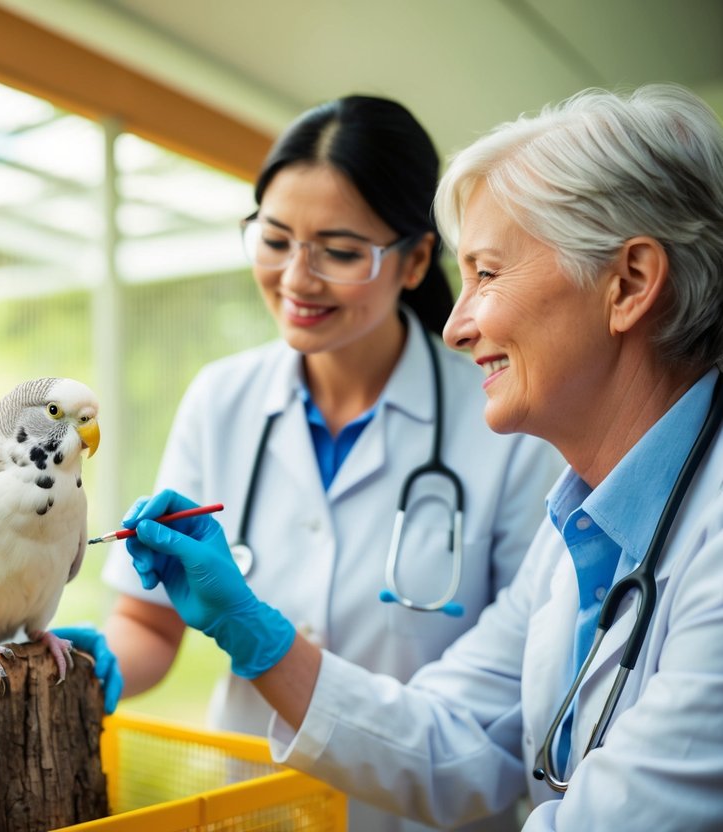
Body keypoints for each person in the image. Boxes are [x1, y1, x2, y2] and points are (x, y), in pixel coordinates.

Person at [121, 83, 723, 830]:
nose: (455, 325)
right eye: (276, 239)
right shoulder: (577, 526)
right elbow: (460, 736)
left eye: (489, 274)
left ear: (627, 284)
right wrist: (251, 632)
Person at [100, 96, 561, 832]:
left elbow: (514, 698)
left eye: (339, 252)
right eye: (273, 239)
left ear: (413, 261)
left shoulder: (506, 420)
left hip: (415, 815)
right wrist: (83, 672)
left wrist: (259, 635)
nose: (295, 278)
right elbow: (148, 624)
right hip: (253, 808)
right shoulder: (221, 399)